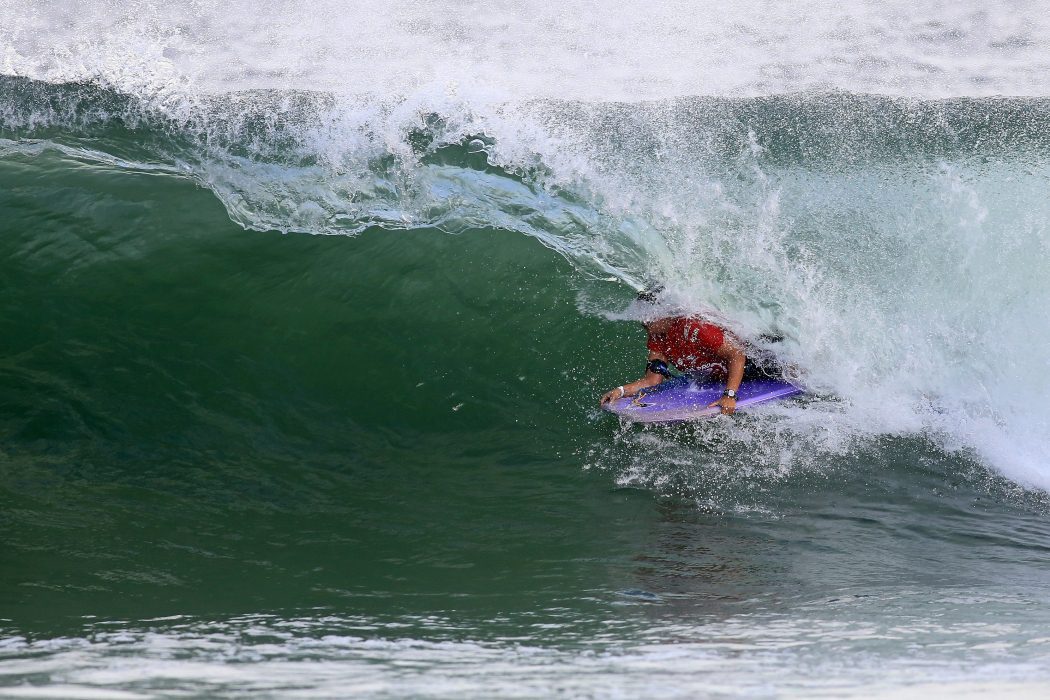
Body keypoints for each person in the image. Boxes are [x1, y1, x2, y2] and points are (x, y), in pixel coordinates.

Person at [599, 289, 782, 415]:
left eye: (648, 316)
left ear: (663, 312)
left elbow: (737, 354)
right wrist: (621, 391)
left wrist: (729, 395)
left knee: (793, 370)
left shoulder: (694, 326)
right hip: (720, 375)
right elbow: (651, 380)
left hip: (755, 362)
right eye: (642, 316)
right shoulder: (658, 338)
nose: (643, 322)